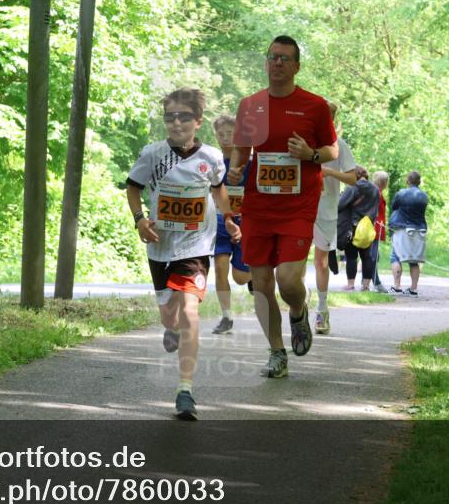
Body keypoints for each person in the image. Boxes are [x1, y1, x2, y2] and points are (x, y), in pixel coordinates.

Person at [227, 35, 339, 379]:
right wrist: (234, 168)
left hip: (298, 205)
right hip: (259, 206)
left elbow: (332, 151)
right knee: (261, 286)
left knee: (288, 280)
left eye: (285, 58)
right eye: (272, 57)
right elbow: (241, 149)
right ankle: (277, 352)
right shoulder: (250, 105)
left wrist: (311, 155)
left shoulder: (314, 106)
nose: (277, 63)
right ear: (266, 63)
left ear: (296, 66)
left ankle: (299, 309)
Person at [126, 88, 240, 420]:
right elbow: (133, 188)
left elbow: (218, 190)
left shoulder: (212, 158)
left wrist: (230, 220)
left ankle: (185, 389)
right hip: (160, 244)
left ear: (197, 121)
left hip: (196, 246)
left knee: (190, 309)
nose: (176, 123)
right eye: (170, 116)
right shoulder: (153, 154)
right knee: (169, 315)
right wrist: (139, 221)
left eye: (183, 116)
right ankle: (170, 327)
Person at [311, 101, 357, 334]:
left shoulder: (339, 146)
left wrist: (328, 172)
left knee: (320, 262)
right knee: (293, 264)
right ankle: (298, 307)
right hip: (299, 209)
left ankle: (321, 309)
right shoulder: (304, 143)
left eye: (327, 117)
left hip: (326, 210)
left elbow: (352, 179)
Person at [211, 113, 251, 335]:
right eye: (221, 133)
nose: (225, 138)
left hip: (245, 222)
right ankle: (226, 317)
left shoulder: (248, 161)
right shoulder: (212, 161)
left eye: (230, 133)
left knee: (240, 277)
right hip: (219, 221)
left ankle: (256, 275)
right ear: (215, 135)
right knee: (219, 268)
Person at [332, 166, 380, 292]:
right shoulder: (375, 189)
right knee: (366, 256)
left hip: (353, 226)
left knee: (352, 256)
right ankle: (365, 286)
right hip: (368, 227)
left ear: (356, 175)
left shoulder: (353, 187)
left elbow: (340, 205)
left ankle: (351, 284)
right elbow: (376, 209)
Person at [389, 171, 428, 296]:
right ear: (419, 182)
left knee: (396, 257)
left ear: (408, 181)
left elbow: (394, 206)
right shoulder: (424, 196)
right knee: (414, 260)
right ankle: (413, 288)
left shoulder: (401, 193)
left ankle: (397, 286)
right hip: (419, 229)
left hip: (402, 228)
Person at [370, 171, 390, 293]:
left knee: (373, 256)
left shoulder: (377, 192)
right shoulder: (376, 193)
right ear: (383, 182)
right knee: (373, 256)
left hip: (376, 228)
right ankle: (376, 282)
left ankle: (368, 281)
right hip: (374, 228)